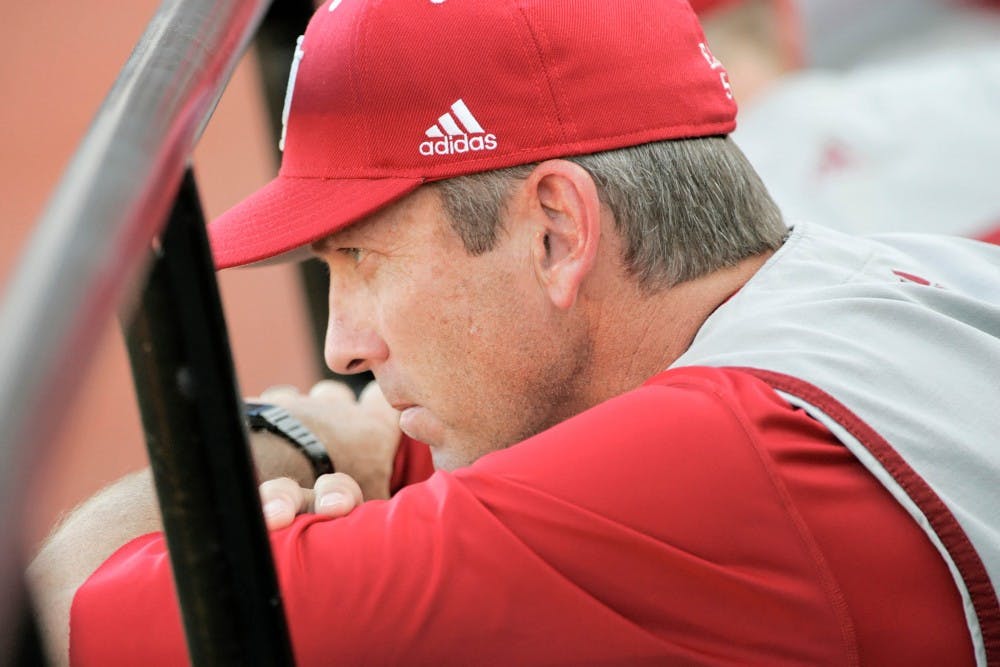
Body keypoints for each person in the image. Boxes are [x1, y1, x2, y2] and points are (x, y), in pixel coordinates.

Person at [28, 0, 1000, 665]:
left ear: (557, 232)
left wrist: (300, 435)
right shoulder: (895, 279)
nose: (341, 348)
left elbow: (64, 613)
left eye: (362, 259)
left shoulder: (712, 465)